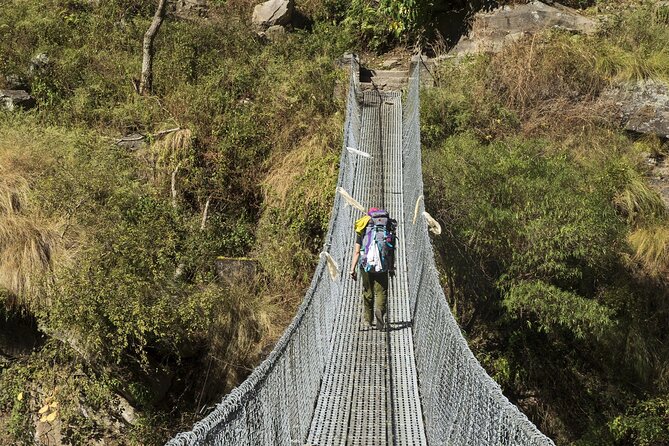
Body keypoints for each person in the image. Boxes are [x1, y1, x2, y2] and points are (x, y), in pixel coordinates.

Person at [349, 208, 396, 330]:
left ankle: (367, 321)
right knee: (382, 291)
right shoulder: (388, 226)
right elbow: (391, 250)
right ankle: (380, 310)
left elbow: (357, 252)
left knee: (368, 292)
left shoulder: (364, 226)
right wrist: (391, 267)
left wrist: (352, 269)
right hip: (382, 264)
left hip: (366, 265)